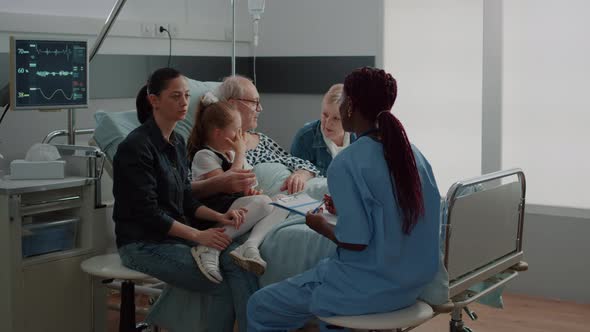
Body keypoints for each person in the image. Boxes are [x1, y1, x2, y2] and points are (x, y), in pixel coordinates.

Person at [246, 67, 441, 331]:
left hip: (368, 287)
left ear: (350, 106)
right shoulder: (412, 155)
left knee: (260, 305)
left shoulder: (347, 162)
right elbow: (398, 212)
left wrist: (319, 224)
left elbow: (355, 241)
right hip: (411, 283)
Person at [112, 67, 258, 332]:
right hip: (142, 244)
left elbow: (186, 198)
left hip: (173, 240)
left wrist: (218, 217)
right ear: (154, 100)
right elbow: (149, 214)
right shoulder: (135, 147)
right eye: (175, 96)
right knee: (219, 284)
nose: (183, 103)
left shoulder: (177, 143)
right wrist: (197, 236)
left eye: (187, 96)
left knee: (238, 265)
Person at [187, 92, 289, 282]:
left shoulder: (232, 156)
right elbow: (229, 185)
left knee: (282, 201)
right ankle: (209, 247)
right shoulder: (205, 156)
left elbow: (247, 184)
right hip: (214, 216)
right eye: (237, 131)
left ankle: (250, 245)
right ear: (218, 133)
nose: (241, 137)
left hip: (235, 210)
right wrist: (241, 152)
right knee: (264, 202)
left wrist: (252, 192)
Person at [213, 75, 320, 194]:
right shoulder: (217, 149)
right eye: (254, 102)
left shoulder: (261, 140)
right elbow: (219, 195)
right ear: (233, 104)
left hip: (306, 191)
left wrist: (302, 174)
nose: (260, 108)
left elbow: (297, 162)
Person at [290, 84, 356, 176]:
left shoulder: (360, 138)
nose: (327, 123)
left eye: (336, 118)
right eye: (325, 115)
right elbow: (295, 179)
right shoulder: (304, 138)